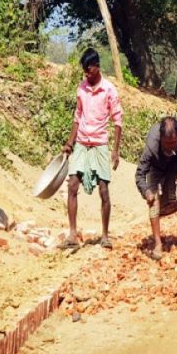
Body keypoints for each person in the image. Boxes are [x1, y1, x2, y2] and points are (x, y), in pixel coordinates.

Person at [62, 48, 123, 249]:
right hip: (81, 143)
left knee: (104, 190)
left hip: (100, 145)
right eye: (85, 72)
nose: (87, 75)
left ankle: (105, 235)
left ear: (97, 67)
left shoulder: (109, 90)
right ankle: (72, 234)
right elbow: (77, 117)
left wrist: (115, 151)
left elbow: (117, 120)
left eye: (89, 71)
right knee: (72, 185)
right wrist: (70, 143)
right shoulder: (81, 89)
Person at [135, 116, 177, 260]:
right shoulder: (151, 146)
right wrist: (146, 191)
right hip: (156, 165)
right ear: (160, 138)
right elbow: (140, 174)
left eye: (173, 143)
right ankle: (158, 244)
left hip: (174, 162)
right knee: (153, 200)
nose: (170, 147)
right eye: (166, 144)